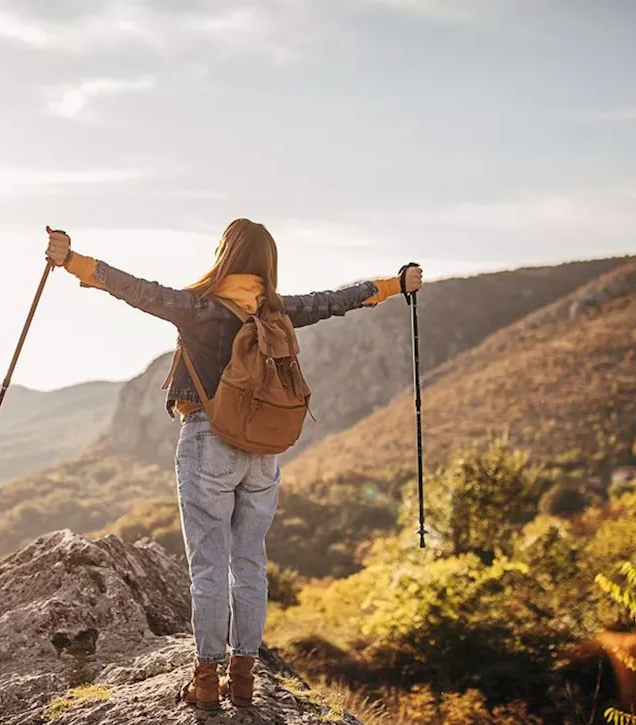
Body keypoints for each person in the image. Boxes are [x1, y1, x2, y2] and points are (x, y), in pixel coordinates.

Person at [43, 219, 422, 710]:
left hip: (207, 443)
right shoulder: (279, 312)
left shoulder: (198, 308)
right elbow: (338, 299)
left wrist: (70, 259)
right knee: (249, 564)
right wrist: (396, 284)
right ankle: (242, 679)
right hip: (263, 450)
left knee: (208, 567)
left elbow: (131, 287)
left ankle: (205, 680)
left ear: (224, 253)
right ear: (268, 264)